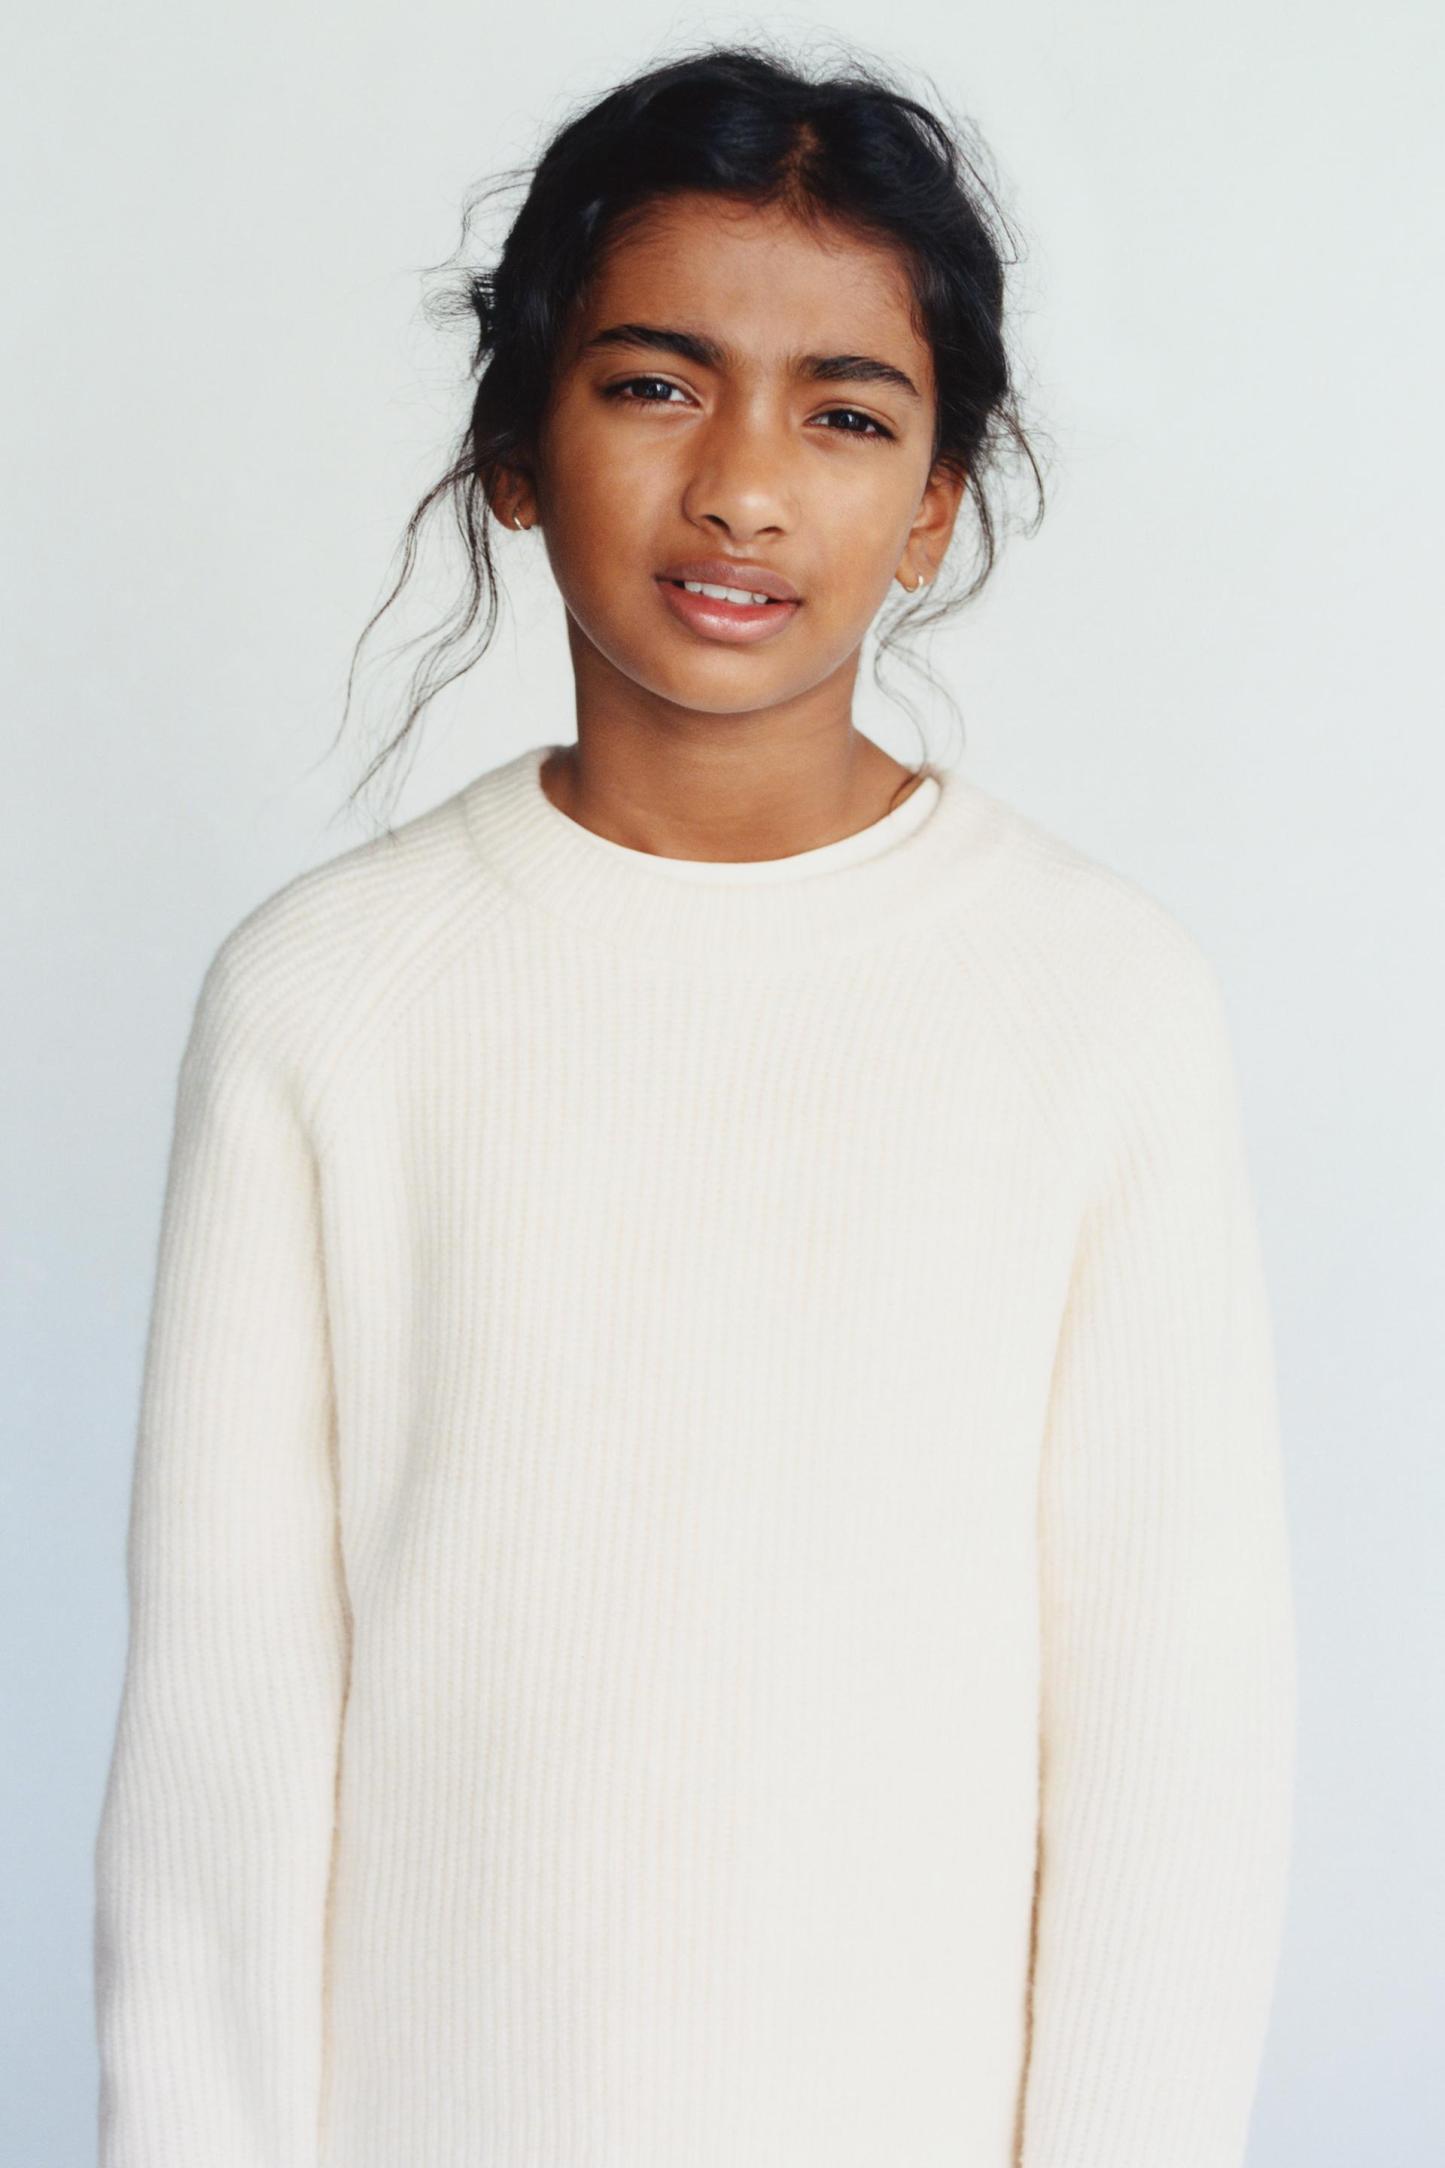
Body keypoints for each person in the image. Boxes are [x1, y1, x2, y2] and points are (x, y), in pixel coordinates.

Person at [92, 39, 1296, 2168]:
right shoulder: (326, 1004)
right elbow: (226, 1757)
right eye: (656, 383)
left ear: (935, 503)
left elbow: (1166, 1747)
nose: (744, 485)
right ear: (515, 445)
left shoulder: (1096, 1004)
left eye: (846, 413)